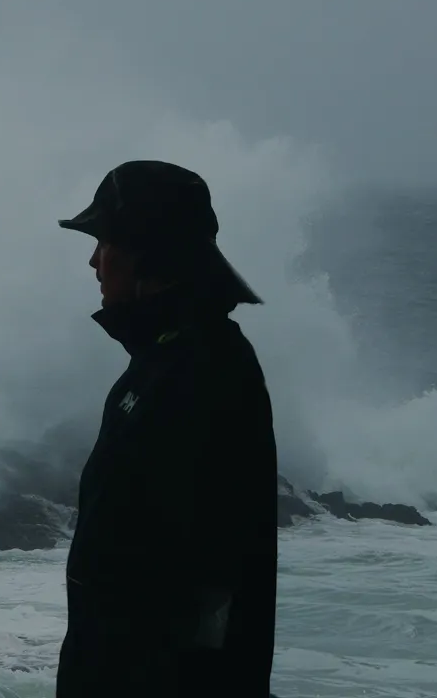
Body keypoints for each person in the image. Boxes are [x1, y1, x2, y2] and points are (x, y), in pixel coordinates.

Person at [54, 160, 278, 696]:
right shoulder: (164, 361)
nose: (92, 261)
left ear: (145, 253)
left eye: (103, 242)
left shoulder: (202, 371)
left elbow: (207, 576)